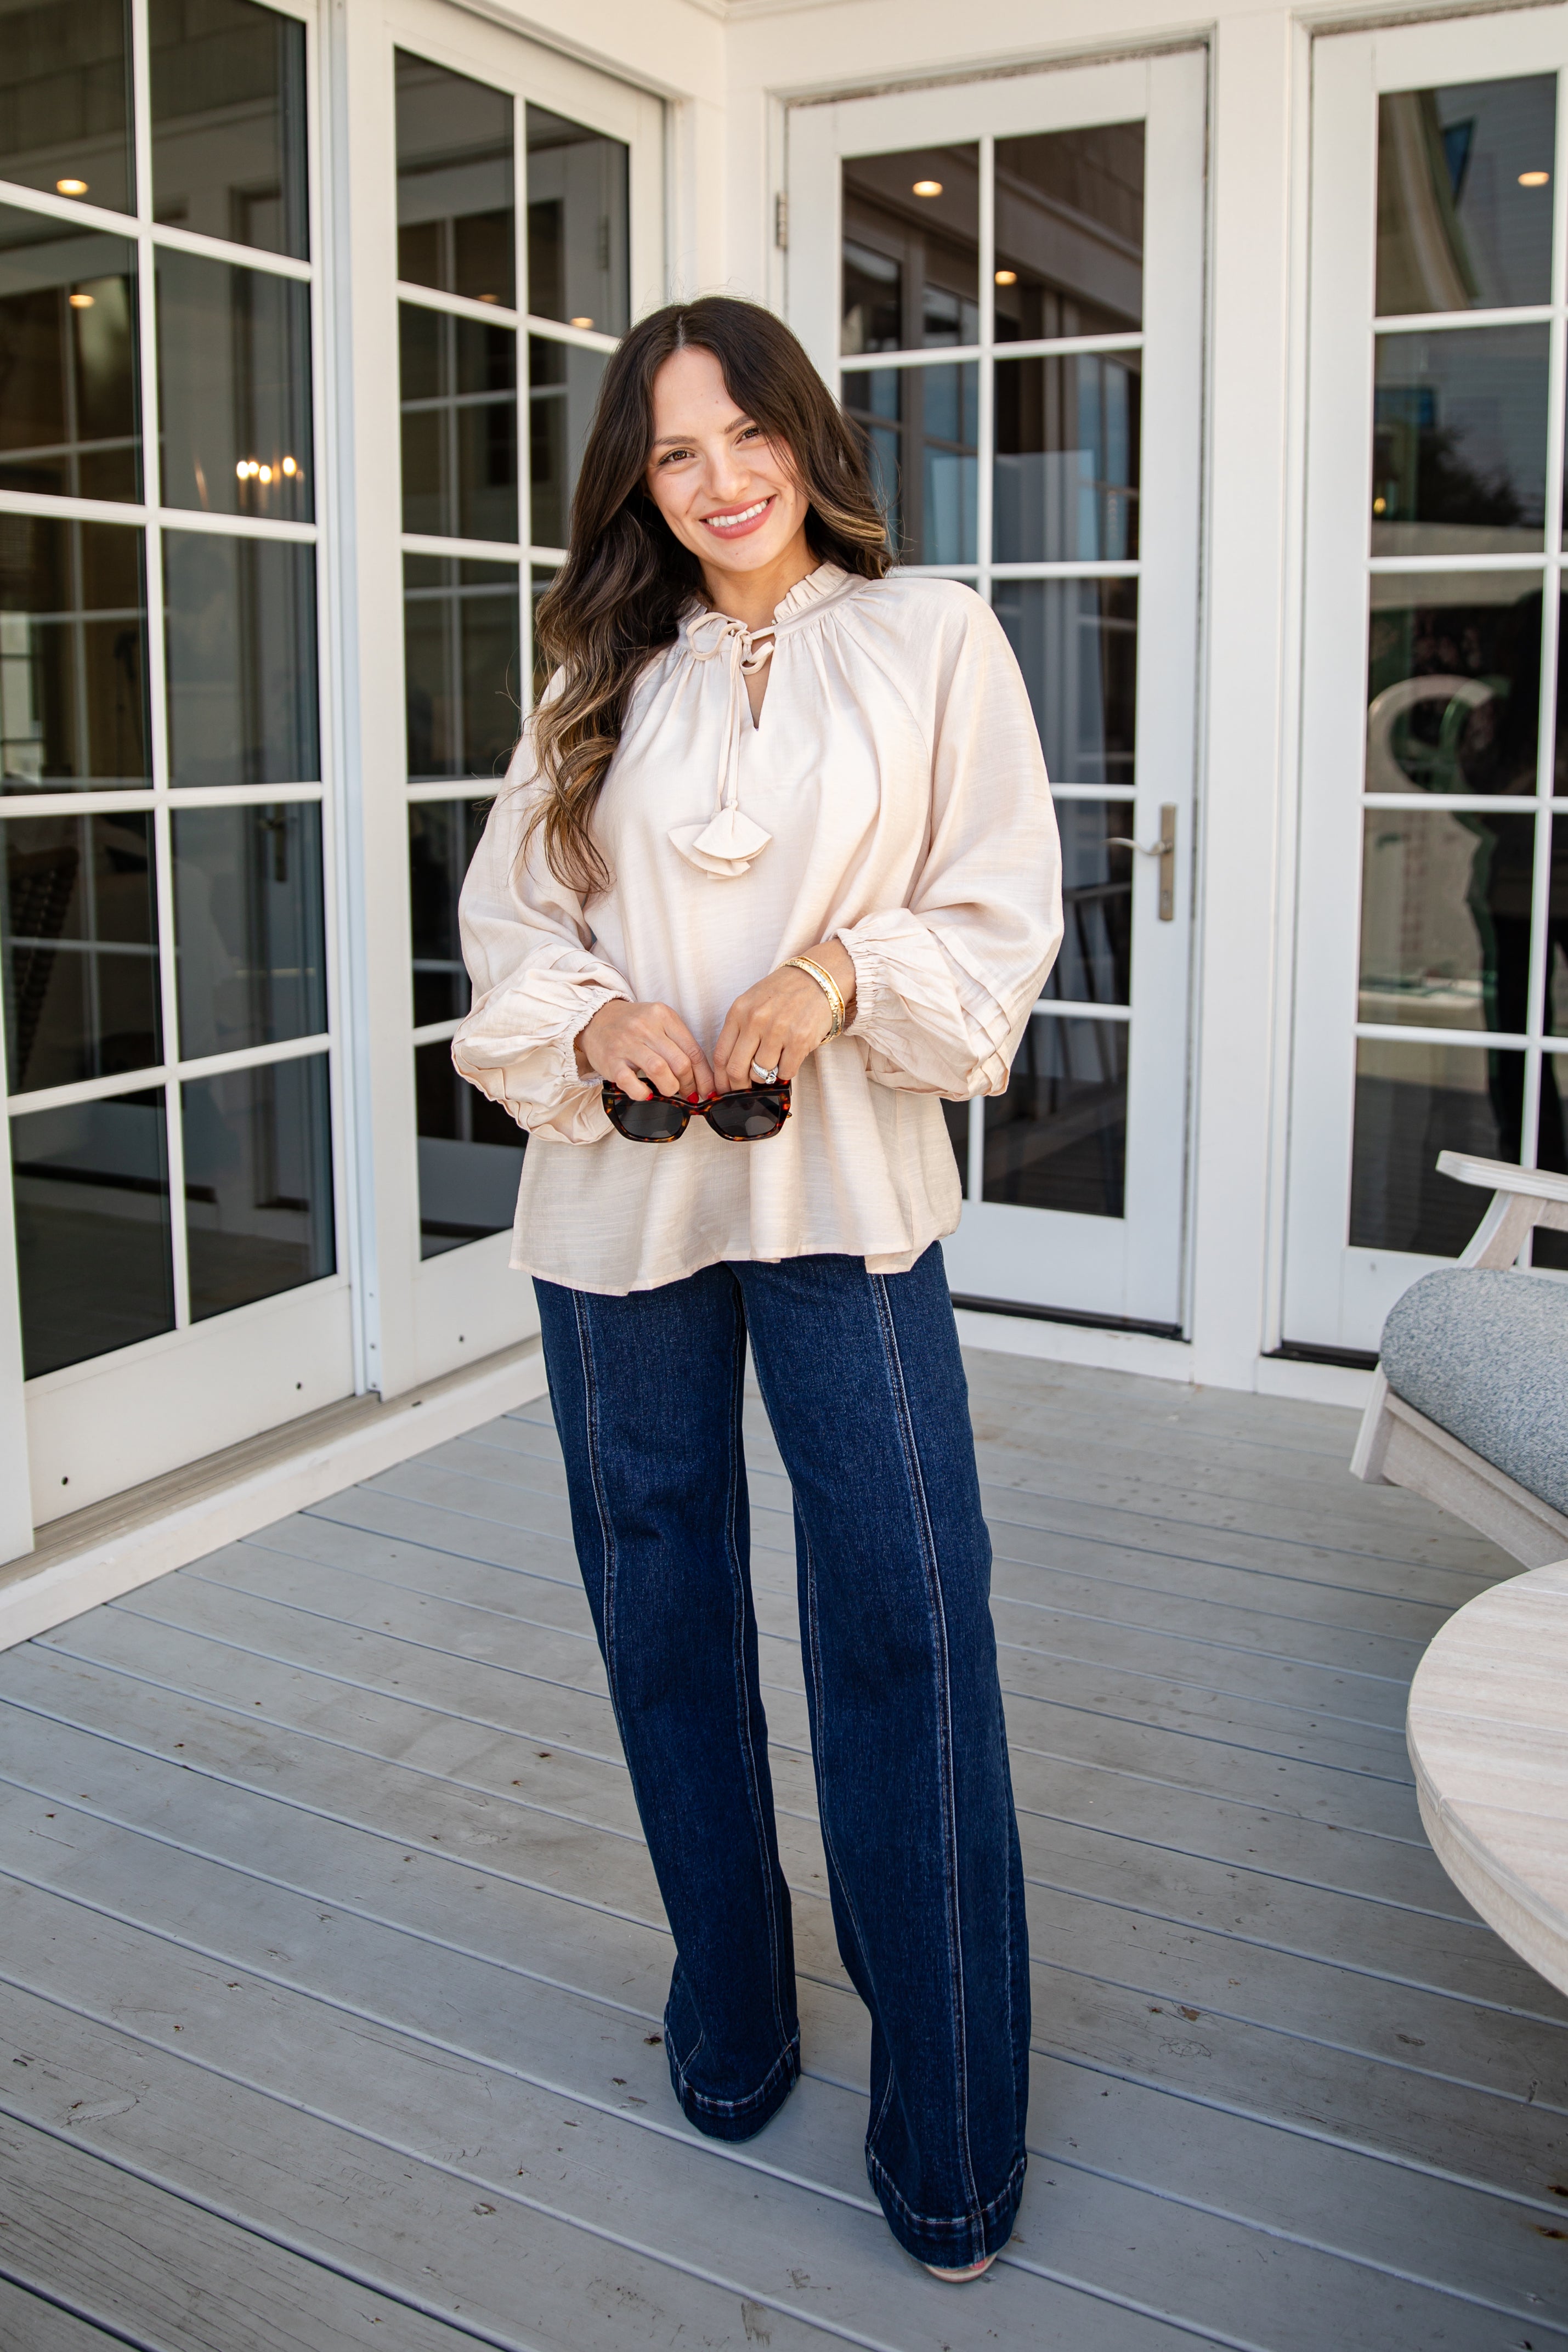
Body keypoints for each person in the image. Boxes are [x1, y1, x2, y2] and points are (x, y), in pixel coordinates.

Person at [453, 296, 1062, 2278]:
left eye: (743, 439)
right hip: (615, 1212)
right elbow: (511, 929)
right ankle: (729, 2010)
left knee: (903, 1620)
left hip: (845, 1193)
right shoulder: (590, 675)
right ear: (634, 485)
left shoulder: (929, 636)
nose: (716, 486)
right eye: (669, 457)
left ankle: (952, 2124)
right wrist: (599, 1006)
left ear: (804, 435)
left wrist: (832, 978)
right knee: (665, 1616)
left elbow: (994, 901)